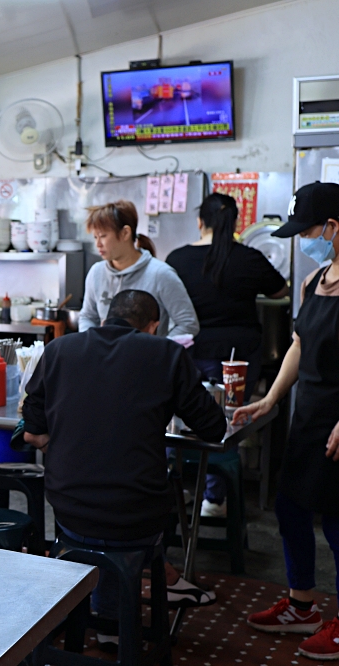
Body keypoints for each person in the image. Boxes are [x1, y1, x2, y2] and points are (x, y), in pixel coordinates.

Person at [23, 289, 225, 643]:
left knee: (96, 526)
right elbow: (213, 427)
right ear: (154, 326)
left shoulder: (59, 350)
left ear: (103, 319)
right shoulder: (166, 354)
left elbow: (33, 429)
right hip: (137, 517)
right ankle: (116, 627)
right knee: (134, 524)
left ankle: (101, 620)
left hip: (70, 512)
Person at [235, 182, 339, 661]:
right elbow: (299, 345)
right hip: (309, 416)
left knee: (338, 525)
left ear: (333, 227)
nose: (303, 239)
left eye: (309, 230)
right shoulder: (315, 279)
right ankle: (302, 605)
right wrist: (272, 399)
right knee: (292, 507)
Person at [166, 193, 288, 517]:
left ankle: (173, 490)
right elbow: (280, 291)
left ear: (199, 221)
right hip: (238, 358)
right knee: (226, 424)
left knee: (183, 422)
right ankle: (214, 498)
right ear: (235, 224)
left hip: (189, 353)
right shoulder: (249, 257)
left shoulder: (177, 259)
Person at [79, 200, 199, 339]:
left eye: (103, 236)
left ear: (125, 233)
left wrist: (160, 349)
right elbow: (88, 317)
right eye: (95, 237)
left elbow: (188, 324)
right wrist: (92, 344)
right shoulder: (96, 273)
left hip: (148, 359)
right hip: (105, 359)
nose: (98, 244)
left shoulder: (161, 274)